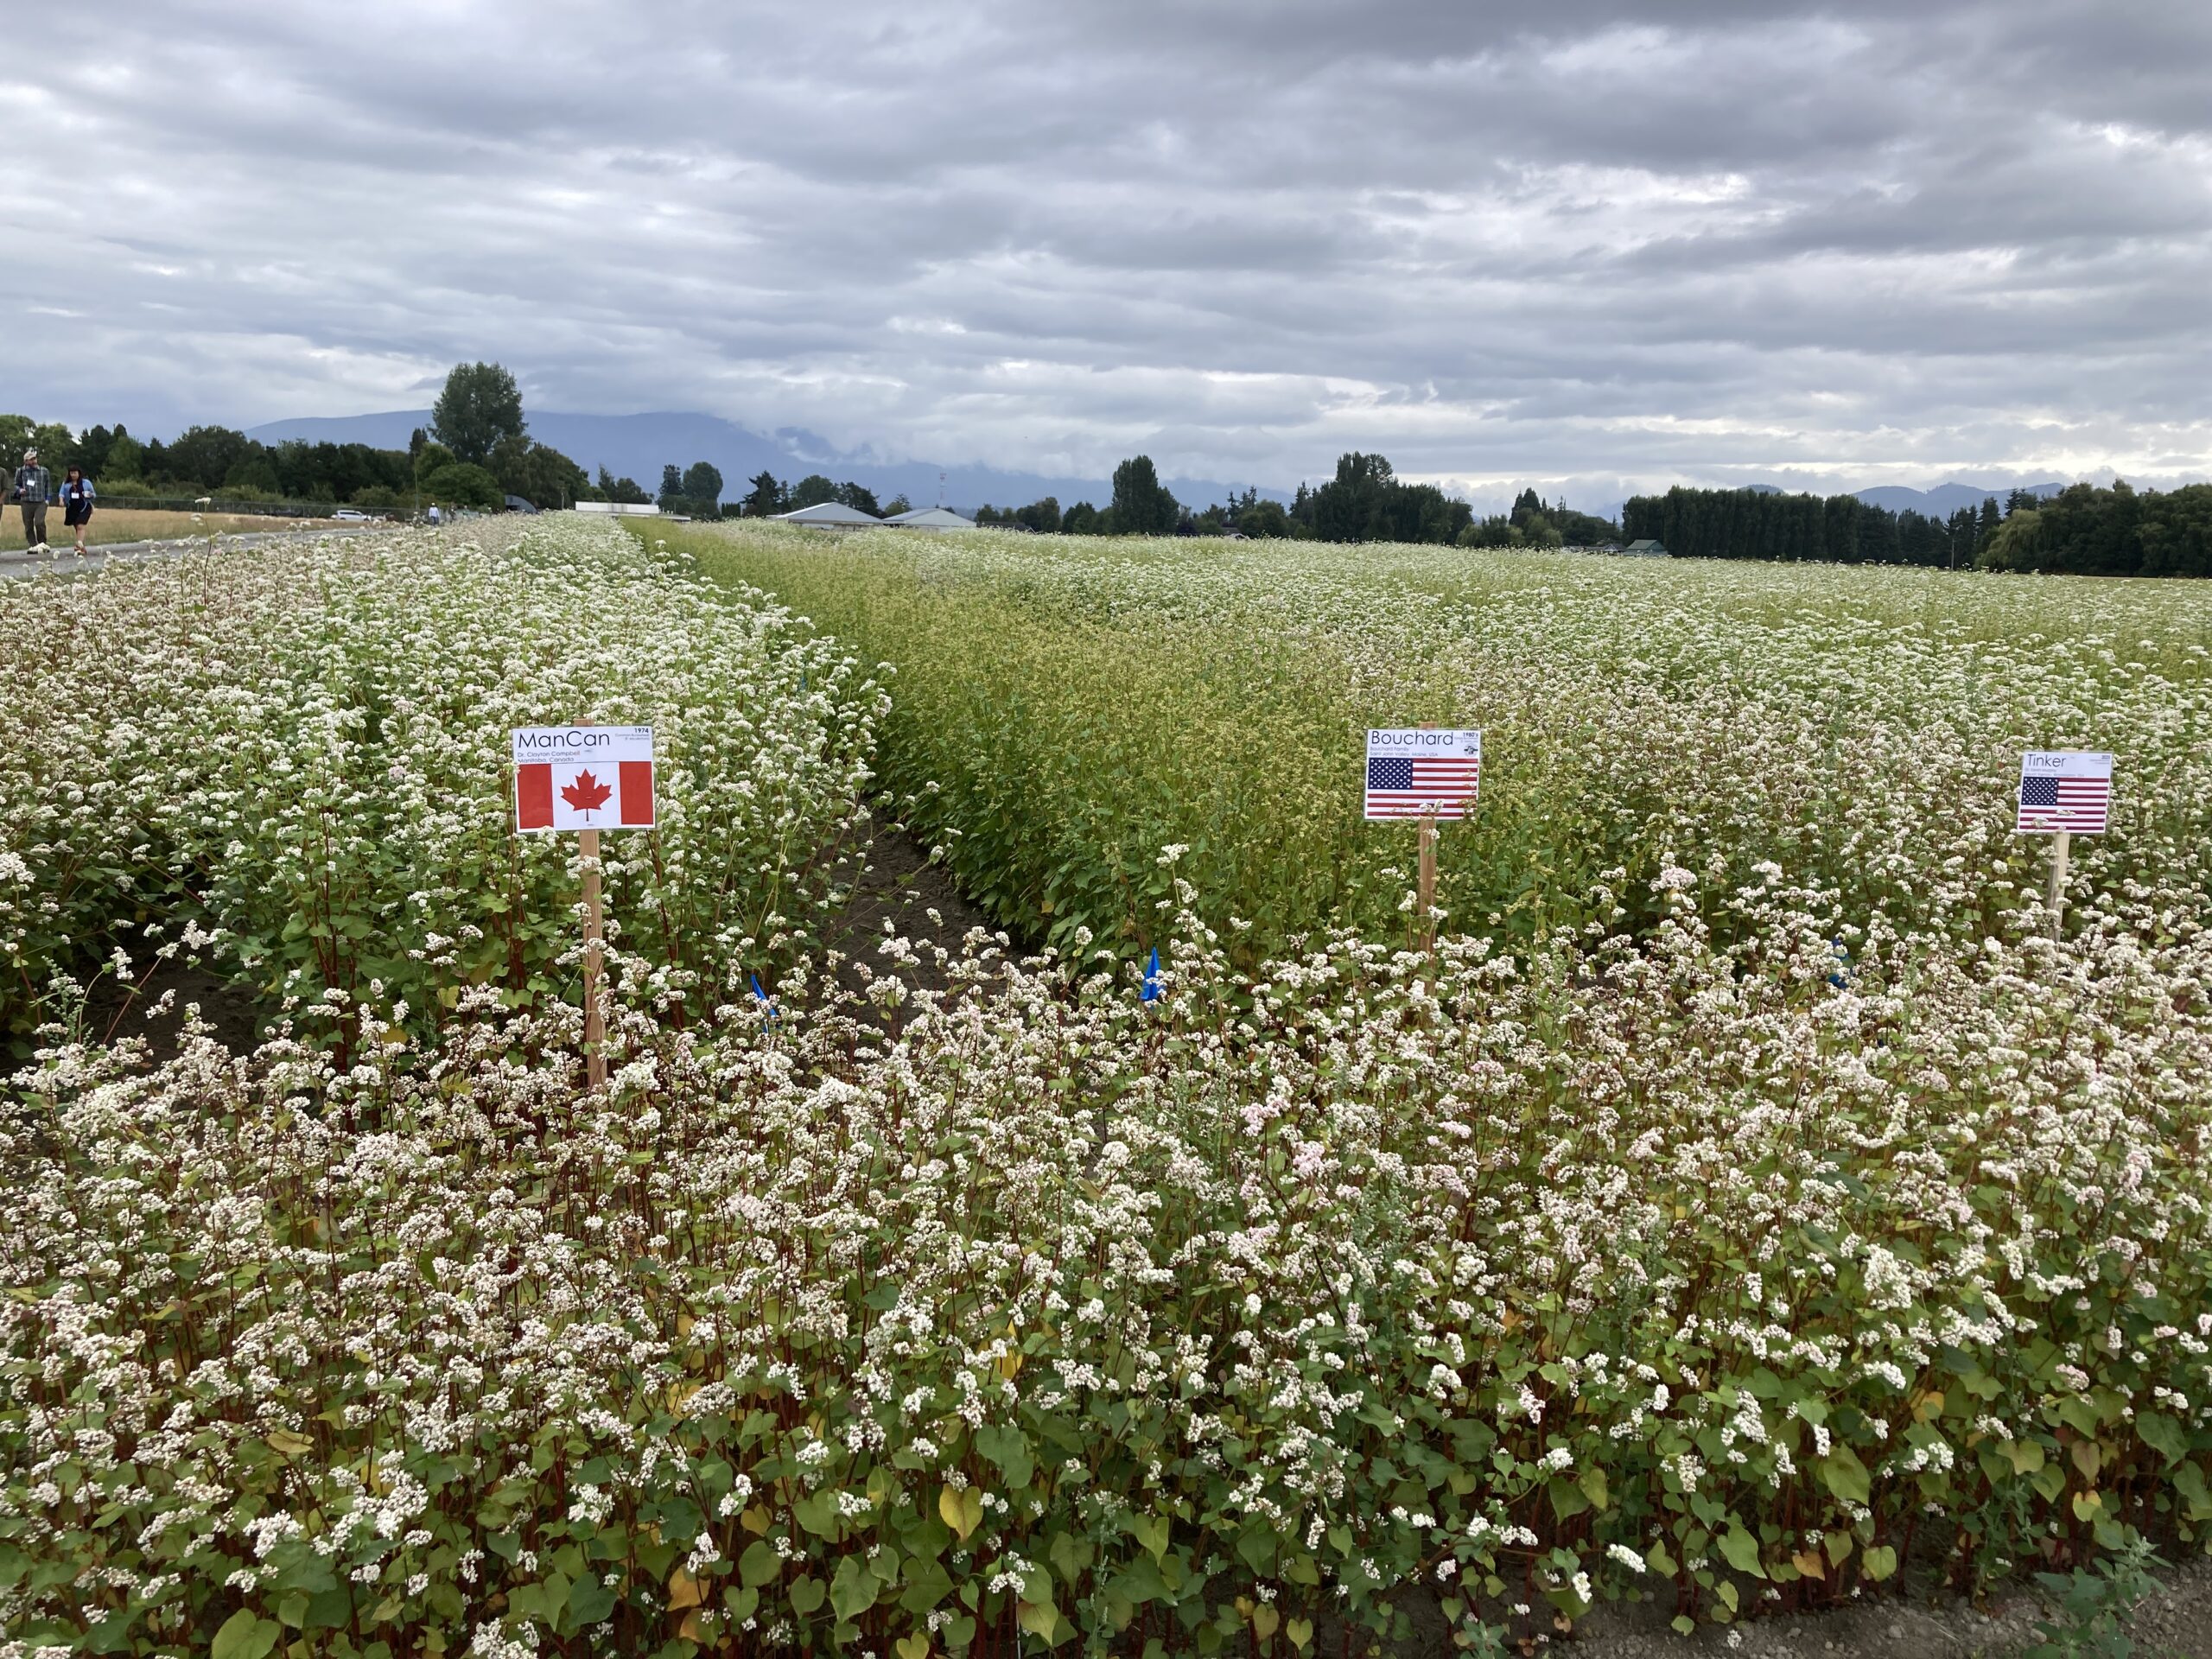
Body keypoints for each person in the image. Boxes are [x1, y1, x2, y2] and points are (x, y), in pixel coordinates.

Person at [10, 448, 53, 551]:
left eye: (35, 458)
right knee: (28, 525)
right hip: (26, 501)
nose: (34, 461)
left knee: (39, 522)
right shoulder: (20, 471)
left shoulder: (44, 471)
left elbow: (48, 486)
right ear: (26, 461)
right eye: (31, 459)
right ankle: (33, 546)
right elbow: (15, 484)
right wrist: (19, 490)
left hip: (40, 501)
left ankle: (42, 544)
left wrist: (48, 499)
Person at [58, 465, 96, 555]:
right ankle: (82, 547)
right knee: (77, 528)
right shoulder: (66, 484)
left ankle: (78, 547)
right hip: (72, 508)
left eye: (75, 473)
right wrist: (61, 501)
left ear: (79, 473)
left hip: (84, 507)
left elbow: (94, 494)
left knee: (80, 526)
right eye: (71, 473)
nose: (73, 475)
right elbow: (61, 493)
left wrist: (90, 495)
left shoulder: (86, 483)